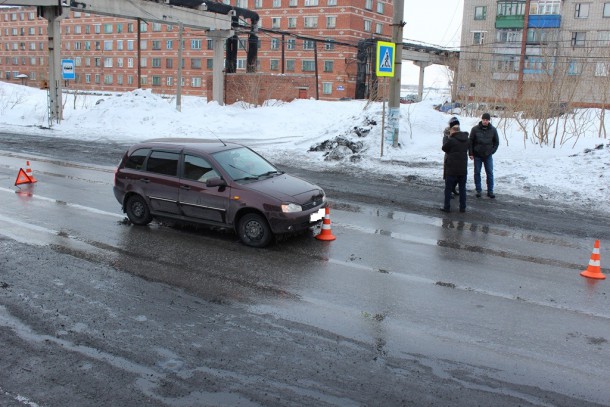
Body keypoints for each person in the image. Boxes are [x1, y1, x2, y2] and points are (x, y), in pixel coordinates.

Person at [440, 121, 469, 213]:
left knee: (448, 189)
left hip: (451, 168)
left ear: (452, 131)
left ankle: (447, 207)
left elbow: (444, 148)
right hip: (463, 169)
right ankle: (462, 207)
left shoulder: (451, 140)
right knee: (462, 189)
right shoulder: (466, 139)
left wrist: (448, 137)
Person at [469, 112, 499, 199]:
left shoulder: (493, 130)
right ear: (481, 119)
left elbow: (496, 142)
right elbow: (470, 142)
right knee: (477, 172)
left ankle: (490, 191)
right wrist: (471, 153)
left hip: (488, 155)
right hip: (477, 154)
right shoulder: (475, 129)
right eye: (484, 119)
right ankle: (478, 190)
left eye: (487, 120)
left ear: (489, 120)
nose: (485, 121)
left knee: (489, 173)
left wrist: (492, 151)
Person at [443, 117, 460, 197]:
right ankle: (448, 191)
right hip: (449, 157)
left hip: (457, 157)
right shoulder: (447, 133)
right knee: (448, 175)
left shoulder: (459, 133)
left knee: (457, 175)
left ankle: (453, 188)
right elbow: (445, 146)